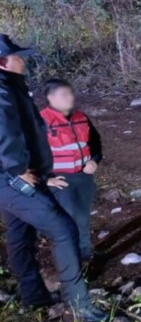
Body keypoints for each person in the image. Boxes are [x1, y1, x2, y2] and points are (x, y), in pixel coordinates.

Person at [0, 34, 106, 322]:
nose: (22, 60)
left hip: (14, 179)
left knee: (20, 234)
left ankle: (33, 295)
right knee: (63, 229)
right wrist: (18, 170)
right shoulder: (3, 90)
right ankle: (78, 305)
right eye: (17, 56)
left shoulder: (11, 86)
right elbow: (6, 131)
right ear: (2, 62)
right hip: (12, 180)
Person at [40, 79, 103, 262]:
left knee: (83, 217)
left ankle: (85, 254)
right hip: (60, 180)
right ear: (50, 97)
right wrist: (45, 179)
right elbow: (28, 152)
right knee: (67, 221)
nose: (70, 98)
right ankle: (69, 259)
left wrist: (95, 160)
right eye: (64, 94)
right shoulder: (40, 121)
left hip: (83, 177)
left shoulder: (81, 117)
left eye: (70, 93)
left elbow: (95, 142)